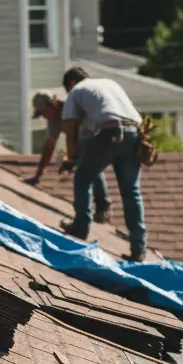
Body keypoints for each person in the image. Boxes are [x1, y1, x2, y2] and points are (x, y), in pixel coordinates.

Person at [58, 67, 148, 263]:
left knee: (82, 177)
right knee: (131, 191)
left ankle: (81, 227)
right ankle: (139, 248)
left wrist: (72, 157)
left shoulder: (76, 91)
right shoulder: (109, 84)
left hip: (109, 133)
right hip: (134, 134)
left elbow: (70, 129)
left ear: (71, 83)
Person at [26, 91, 111, 224]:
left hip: (100, 131)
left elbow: (77, 138)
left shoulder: (71, 108)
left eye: (45, 112)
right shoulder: (53, 120)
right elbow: (50, 145)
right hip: (82, 138)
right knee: (83, 166)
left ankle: (103, 207)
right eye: (41, 115)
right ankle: (86, 210)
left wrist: (71, 159)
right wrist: (38, 175)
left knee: (90, 164)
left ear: (53, 105)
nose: (45, 117)